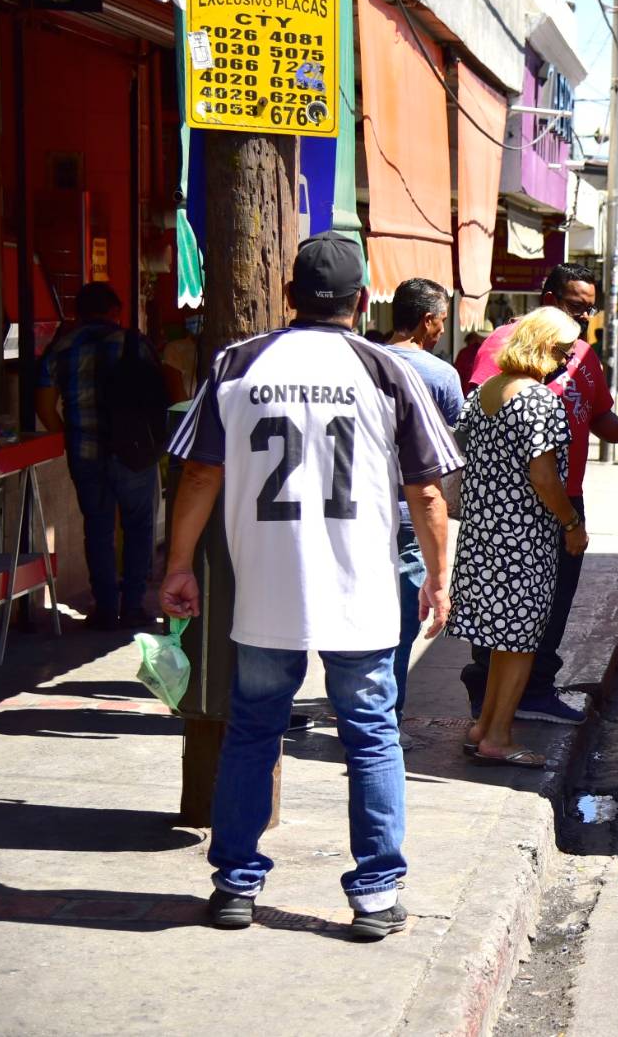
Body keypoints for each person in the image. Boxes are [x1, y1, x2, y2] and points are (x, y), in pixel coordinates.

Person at [160, 232, 462, 940]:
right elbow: (426, 491)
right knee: (371, 734)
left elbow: (200, 473)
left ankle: (235, 883)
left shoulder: (237, 364)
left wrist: (177, 565)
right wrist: (440, 577)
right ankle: (376, 895)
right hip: (360, 594)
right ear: (362, 301)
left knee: (253, 731)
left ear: (288, 295)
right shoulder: (386, 370)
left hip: (265, 590)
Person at [460, 263, 618, 724]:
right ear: (549, 297)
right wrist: (569, 522)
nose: (582, 320)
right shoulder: (509, 356)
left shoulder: (582, 353)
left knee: (548, 604)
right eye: (576, 307)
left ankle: (515, 702)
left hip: (560, 495)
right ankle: (498, 704)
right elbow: (527, 457)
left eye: (590, 310)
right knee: (512, 609)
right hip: (520, 504)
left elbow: (599, 417)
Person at [449, 307, 587, 768]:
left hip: (484, 534)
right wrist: (571, 523)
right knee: (522, 641)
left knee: (502, 642)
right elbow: (545, 477)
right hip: (524, 538)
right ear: (544, 346)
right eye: (564, 351)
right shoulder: (538, 400)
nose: (567, 360)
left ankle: (485, 726)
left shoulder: (487, 390)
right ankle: (499, 737)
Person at [35, 281, 168, 630]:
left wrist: (70, 433)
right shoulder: (134, 343)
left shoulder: (60, 347)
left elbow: (46, 408)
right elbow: (162, 389)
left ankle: (106, 608)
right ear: (115, 312)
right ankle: (135, 605)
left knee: (97, 527)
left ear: (79, 313)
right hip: (133, 452)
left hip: (85, 452)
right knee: (138, 526)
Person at [383, 278, 463, 746]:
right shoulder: (439, 374)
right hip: (411, 512)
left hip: (357, 510)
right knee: (401, 626)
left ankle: (363, 710)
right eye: (442, 320)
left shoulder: (364, 360)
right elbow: (447, 449)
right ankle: (385, 722)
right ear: (428, 320)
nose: (442, 329)